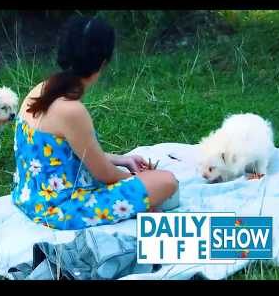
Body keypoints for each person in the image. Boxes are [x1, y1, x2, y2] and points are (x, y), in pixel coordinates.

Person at [11, 15, 178, 230]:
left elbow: (60, 155)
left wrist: (121, 159)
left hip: (30, 197)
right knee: (167, 181)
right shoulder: (72, 110)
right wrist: (138, 177)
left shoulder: (41, 89)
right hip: (61, 209)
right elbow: (104, 175)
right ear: (102, 63)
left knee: (158, 181)